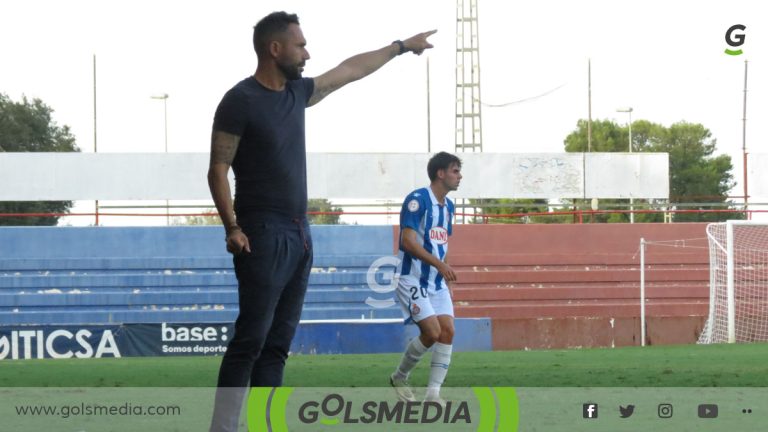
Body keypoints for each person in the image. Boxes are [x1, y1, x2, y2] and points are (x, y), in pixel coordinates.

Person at [206, 11, 436, 431]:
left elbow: (348, 71)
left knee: (277, 346)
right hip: (261, 233)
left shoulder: (296, 92)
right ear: (275, 49)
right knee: (251, 341)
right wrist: (232, 227)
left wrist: (400, 47)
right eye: (300, 45)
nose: (307, 53)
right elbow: (218, 167)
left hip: (300, 233)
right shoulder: (241, 100)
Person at [390, 151, 462, 404]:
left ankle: (433, 394)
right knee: (431, 332)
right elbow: (408, 242)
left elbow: (443, 245)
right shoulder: (417, 200)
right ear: (440, 173)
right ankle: (399, 376)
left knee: (448, 331)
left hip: (436, 282)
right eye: (455, 171)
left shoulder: (449, 207)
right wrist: (441, 266)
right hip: (411, 279)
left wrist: (446, 275)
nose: (459, 176)